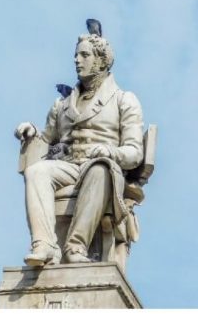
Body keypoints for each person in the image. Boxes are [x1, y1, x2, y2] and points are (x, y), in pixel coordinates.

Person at [15, 20, 144, 266]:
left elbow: (134, 152)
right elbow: (46, 140)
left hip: (103, 168)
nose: (77, 60)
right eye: (76, 55)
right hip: (70, 167)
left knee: (99, 169)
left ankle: (76, 247)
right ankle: (44, 245)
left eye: (84, 55)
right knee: (36, 171)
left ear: (101, 60)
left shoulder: (123, 100)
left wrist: (109, 151)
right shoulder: (62, 105)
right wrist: (31, 133)